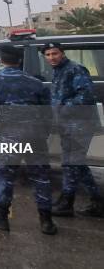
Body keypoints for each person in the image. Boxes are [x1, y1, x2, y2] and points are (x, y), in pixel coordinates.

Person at [0, 45, 57, 235]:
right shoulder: (36, 83)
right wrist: (43, 133)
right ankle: (46, 221)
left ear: (1, 60)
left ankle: (0, 216)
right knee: (41, 177)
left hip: (10, 136)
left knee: (5, 175)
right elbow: (48, 112)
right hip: (36, 136)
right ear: (19, 61)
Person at [42, 42, 104, 217]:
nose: (52, 57)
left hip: (80, 124)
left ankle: (67, 202)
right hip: (67, 124)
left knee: (71, 163)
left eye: (55, 53)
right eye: (48, 55)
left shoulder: (75, 69)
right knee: (78, 164)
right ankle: (98, 202)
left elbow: (86, 96)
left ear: (62, 53)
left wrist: (61, 108)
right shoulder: (58, 71)